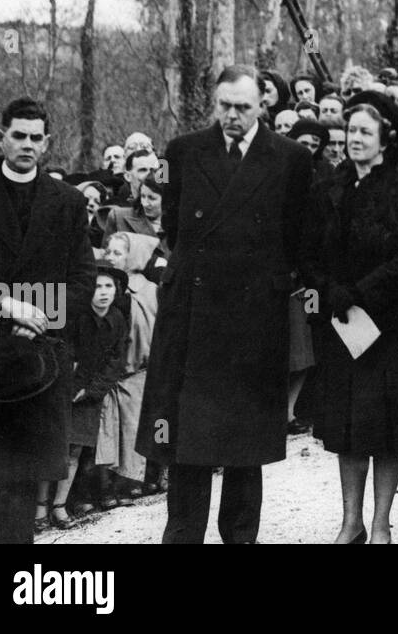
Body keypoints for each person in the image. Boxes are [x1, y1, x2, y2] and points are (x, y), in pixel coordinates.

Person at [136, 65, 314, 544]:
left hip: (255, 315)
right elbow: (172, 225)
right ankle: (182, 536)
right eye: (225, 106)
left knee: (245, 443)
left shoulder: (292, 159)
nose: (233, 116)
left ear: (263, 107)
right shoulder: (181, 151)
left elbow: (297, 234)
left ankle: (240, 537)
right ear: (214, 104)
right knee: (186, 440)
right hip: (193, 314)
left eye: (244, 107)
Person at [0, 97, 97, 544]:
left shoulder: (68, 202)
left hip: (39, 362)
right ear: (0, 137)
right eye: (17, 135)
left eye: (35, 137)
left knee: (22, 489)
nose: (26, 145)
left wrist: (37, 316)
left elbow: (83, 280)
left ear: (48, 143)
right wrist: (4, 306)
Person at [302, 97, 398, 544]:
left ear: (383, 141)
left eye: (364, 133)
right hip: (341, 325)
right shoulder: (328, 187)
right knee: (348, 426)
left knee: (388, 426)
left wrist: (363, 292)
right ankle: (351, 522)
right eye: (350, 132)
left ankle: (381, 523)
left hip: (391, 322)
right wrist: (332, 289)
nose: (354, 139)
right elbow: (309, 252)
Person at [42, 269, 126, 527]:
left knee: (75, 451)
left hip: (89, 394)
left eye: (108, 286)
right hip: (61, 390)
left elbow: (116, 361)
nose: (103, 292)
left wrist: (91, 391)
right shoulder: (74, 316)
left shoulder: (117, 319)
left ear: (116, 290)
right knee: (52, 449)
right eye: (97, 286)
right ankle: (38, 511)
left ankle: (59, 507)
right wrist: (68, 386)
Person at [98, 232, 162, 503]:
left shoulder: (146, 290)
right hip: (114, 371)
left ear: (131, 256)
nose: (110, 257)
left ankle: (137, 479)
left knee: (135, 426)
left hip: (137, 370)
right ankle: (107, 485)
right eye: (108, 251)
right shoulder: (107, 288)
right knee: (110, 430)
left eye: (117, 253)